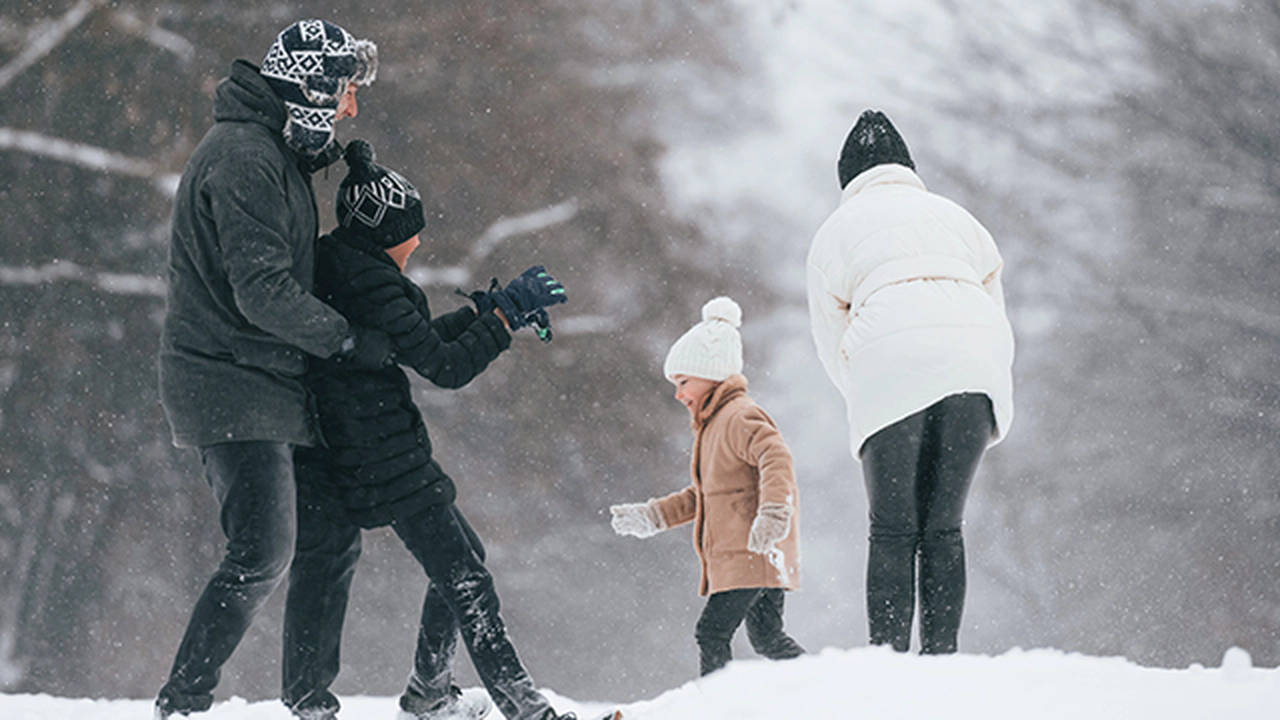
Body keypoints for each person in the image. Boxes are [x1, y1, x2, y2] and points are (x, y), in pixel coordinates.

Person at [282, 139, 583, 720]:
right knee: (466, 578)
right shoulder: (375, 283)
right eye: (410, 232)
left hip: (367, 445)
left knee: (466, 556)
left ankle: (429, 693)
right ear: (386, 232)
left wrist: (485, 314)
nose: (417, 242)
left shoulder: (346, 266)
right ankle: (525, 709)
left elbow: (417, 344)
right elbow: (445, 368)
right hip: (381, 453)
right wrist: (499, 321)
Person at [155, 19, 385, 720]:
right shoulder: (243, 159)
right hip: (229, 381)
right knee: (262, 550)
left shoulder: (268, 154)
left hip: (272, 381)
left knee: (330, 534)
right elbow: (263, 292)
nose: (350, 108)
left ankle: (310, 700)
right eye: (343, 93)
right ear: (310, 92)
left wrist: (341, 174)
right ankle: (184, 701)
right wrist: (347, 340)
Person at [805, 109, 1015, 655]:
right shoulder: (958, 217)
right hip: (975, 363)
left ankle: (889, 661)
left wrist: (869, 398)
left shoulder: (835, 231)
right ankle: (941, 657)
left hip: (887, 364)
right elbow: (995, 310)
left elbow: (831, 340)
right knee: (944, 526)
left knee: (894, 529)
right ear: (908, 167)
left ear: (847, 179)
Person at [610, 297, 805, 677]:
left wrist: (774, 512)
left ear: (712, 374)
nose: (678, 393)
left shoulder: (739, 416)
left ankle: (714, 709)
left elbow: (777, 458)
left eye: (683, 382)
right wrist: (652, 516)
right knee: (767, 638)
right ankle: (823, 692)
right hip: (752, 554)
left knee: (712, 633)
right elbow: (702, 497)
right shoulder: (714, 426)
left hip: (750, 550)